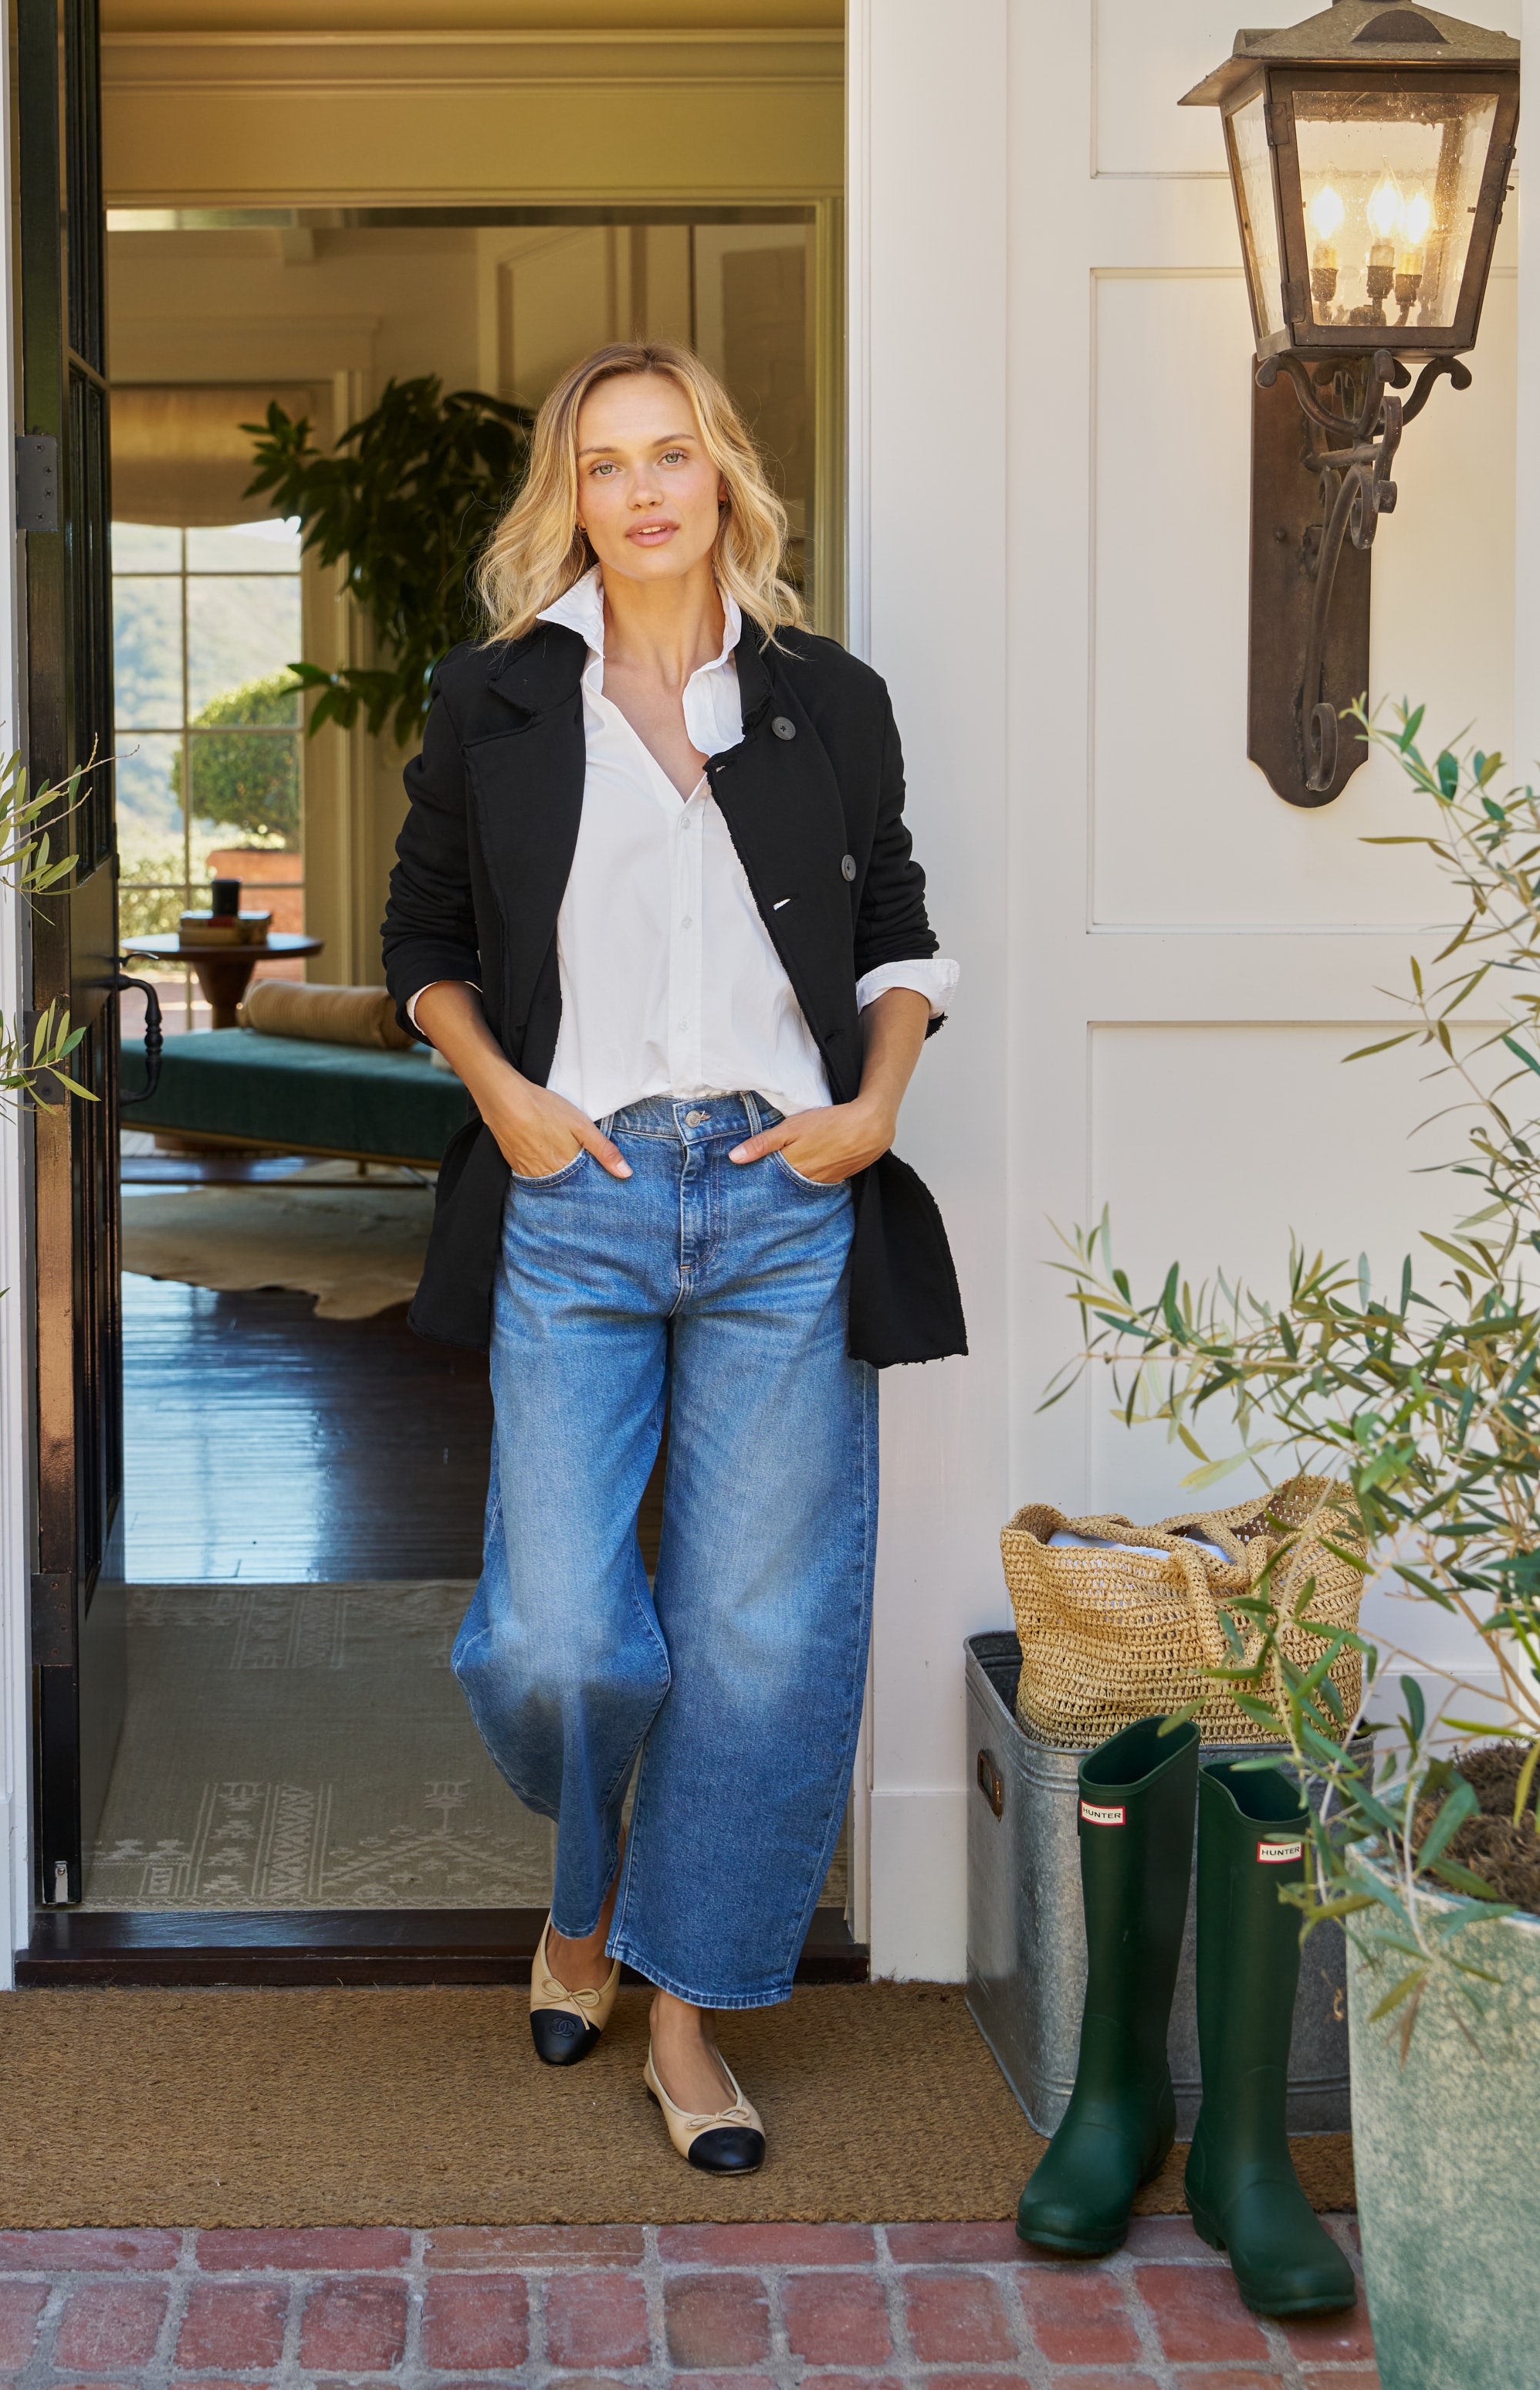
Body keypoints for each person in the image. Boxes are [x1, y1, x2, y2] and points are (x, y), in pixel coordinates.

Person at [382, 340, 963, 2173]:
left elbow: (891, 925)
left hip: (787, 1194)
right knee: (559, 1633)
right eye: (604, 465)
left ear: (723, 477)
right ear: (568, 498)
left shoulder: (826, 698)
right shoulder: (491, 696)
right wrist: (504, 1100)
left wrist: (871, 1109)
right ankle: (585, 1899)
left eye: (671, 457)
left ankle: (687, 2012)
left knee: (758, 1633)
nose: (640, 493)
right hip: (579, 1185)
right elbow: (423, 941)